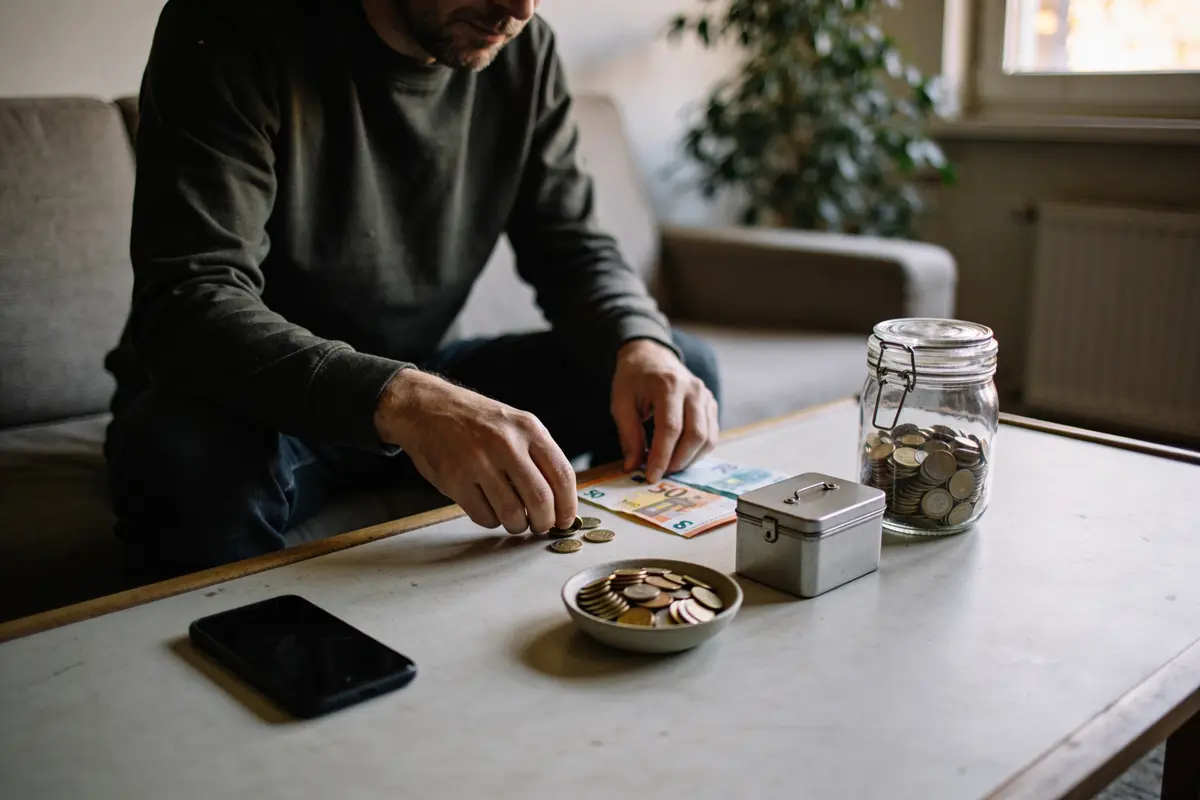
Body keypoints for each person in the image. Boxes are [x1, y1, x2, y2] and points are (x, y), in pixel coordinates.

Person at [103, 0, 722, 580]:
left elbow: (573, 247)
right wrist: (406, 403)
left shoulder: (523, 51)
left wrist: (639, 342)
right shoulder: (229, 26)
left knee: (674, 372)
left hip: (420, 376)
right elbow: (189, 297)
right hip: (254, 404)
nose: (520, 9)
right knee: (180, 457)